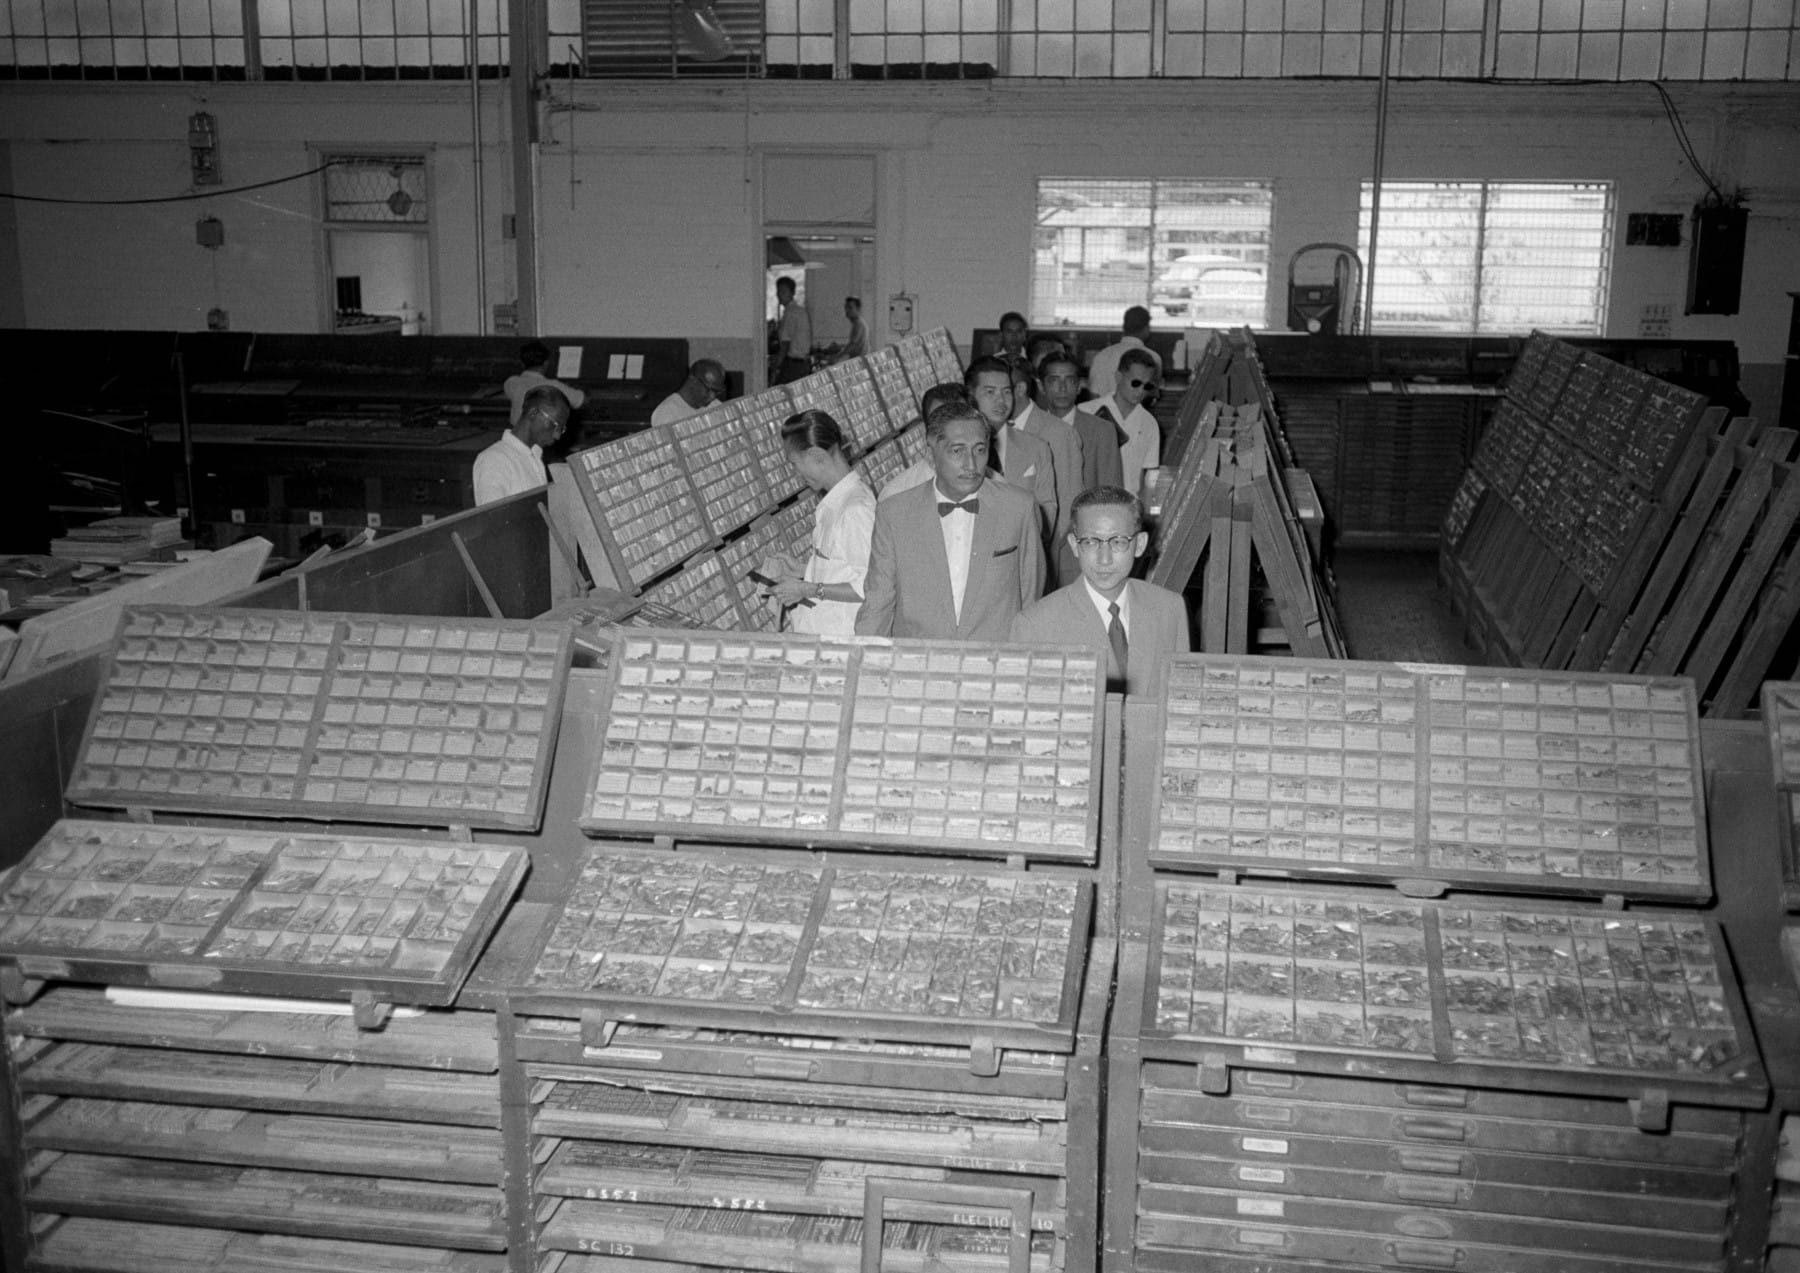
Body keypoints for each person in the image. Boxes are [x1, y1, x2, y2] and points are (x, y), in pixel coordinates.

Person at [856, 400, 1043, 641]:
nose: (971, 464)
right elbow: (878, 601)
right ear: (930, 454)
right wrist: (864, 663)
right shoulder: (894, 513)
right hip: (920, 663)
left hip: (994, 663)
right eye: (957, 451)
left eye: (979, 449)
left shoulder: (1019, 507)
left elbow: (1031, 598)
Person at [1011, 485, 1190, 697]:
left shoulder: (1170, 608)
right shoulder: (1035, 626)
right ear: (1074, 545)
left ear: (1140, 544)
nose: (1104, 559)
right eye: (1090, 542)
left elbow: (1181, 701)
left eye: (1118, 541)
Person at [764, 410, 876, 637]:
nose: (797, 473)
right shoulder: (838, 502)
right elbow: (846, 568)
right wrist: (806, 571)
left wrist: (809, 589)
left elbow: (869, 585)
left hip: (842, 643)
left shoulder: (855, 510)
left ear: (816, 455)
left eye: (795, 464)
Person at [966, 355, 1056, 542]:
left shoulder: (1036, 448)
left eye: (1006, 392)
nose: (1001, 401)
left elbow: (1048, 509)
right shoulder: (956, 449)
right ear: (971, 395)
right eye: (990, 392)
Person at [1007, 361, 1081, 582]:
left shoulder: (1057, 433)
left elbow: (1068, 501)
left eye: (1001, 390)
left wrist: (1042, 557)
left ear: (1019, 389)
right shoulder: (996, 430)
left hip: (1042, 556)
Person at [473, 386, 568, 505]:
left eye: (561, 429)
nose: (557, 436)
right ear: (533, 413)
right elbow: (492, 520)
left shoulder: (534, 456)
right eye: (556, 426)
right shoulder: (493, 460)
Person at [1093, 348, 1162, 498]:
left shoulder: (1149, 424)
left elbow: (1149, 477)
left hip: (1129, 506)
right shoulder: (1089, 412)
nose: (1141, 391)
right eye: (1136, 383)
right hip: (1094, 502)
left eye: (1147, 386)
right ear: (1118, 377)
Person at [1086, 305, 1162, 402]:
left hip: (1101, 414)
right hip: (1136, 415)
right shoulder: (1154, 358)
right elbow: (1151, 397)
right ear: (1146, 328)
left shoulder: (1101, 356)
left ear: (1124, 327)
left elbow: (1093, 396)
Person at [503, 341, 586, 426]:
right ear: (546, 363)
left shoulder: (511, 383)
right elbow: (580, 401)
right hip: (540, 435)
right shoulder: (553, 385)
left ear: (522, 363)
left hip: (517, 432)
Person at [651, 359, 727, 426]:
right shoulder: (666, 412)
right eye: (708, 389)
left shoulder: (716, 407)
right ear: (693, 380)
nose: (712, 397)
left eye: (717, 391)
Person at [773, 277, 812, 385]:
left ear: (792, 293)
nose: (779, 295)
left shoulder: (791, 313)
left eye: (783, 291)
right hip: (802, 364)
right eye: (778, 291)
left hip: (793, 364)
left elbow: (785, 343)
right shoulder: (799, 310)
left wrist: (776, 367)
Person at [834, 297, 870, 363]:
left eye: (850, 308)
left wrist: (837, 357)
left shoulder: (858, 324)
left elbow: (852, 345)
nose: (847, 310)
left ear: (858, 309)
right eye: (846, 307)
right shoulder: (858, 323)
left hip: (859, 362)